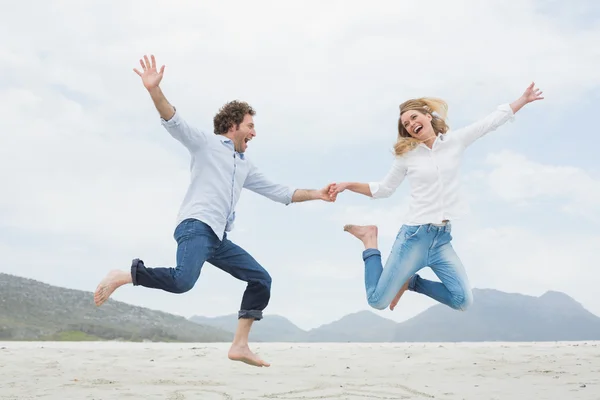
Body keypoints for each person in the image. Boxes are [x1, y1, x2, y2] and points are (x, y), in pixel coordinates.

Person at [93, 54, 336, 367]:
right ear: (233, 125)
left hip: (218, 237)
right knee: (183, 282)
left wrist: (317, 193)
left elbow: (280, 192)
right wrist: (154, 90)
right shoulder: (206, 144)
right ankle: (125, 275)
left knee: (261, 279)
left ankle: (240, 345)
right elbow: (174, 121)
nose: (254, 133)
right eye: (250, 126)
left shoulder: (245, 165)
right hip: (195, 225)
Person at [329, 83, 544, 313]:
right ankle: (369, 239)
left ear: (428, 116)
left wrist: (523, 99)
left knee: (462, 300)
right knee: (377, 301)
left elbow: (490, 122)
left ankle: (411, 282)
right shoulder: (407, 156)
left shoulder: (455, 141)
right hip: (413, 237)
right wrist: (347, 185)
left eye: (414, 117)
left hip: (441, 239)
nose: (411, 124)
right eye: (406, 124)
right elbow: (383, 189)